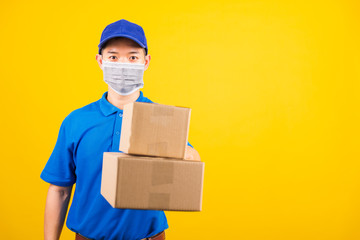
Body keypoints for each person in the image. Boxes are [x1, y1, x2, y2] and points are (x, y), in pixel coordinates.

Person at [40, 19, 200, 240]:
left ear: (146, 61)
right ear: (100, 61)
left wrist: (185, 153)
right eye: (113, 57)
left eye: (133, 57)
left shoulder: (161, 117)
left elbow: (190, 162)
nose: (123, 64)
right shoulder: (76, 121)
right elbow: (59, 190)